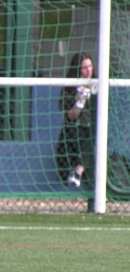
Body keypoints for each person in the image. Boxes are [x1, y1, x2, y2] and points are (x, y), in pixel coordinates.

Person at [56, 53, 96, 189]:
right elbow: (70, 117)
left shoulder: (98, 85)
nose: (88, 70)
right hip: (73, 131)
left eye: (90, 66)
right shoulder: (70, 87)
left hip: (90, 131)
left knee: (92, 137)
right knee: (78, 135)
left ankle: (78, 172)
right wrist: (80, 101)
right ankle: (74, 173)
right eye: (84, 68)